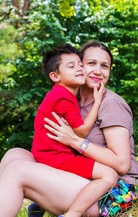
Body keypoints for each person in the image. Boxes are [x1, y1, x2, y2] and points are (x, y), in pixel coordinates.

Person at [0, 41, 138, 217]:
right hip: (83, 178)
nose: (98, 71)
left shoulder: (111, 104)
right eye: (91, 64)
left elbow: (122, 165)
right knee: (14, 155)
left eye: (104, 66)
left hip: (113, 192)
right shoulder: (70, 98)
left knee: (17, 171)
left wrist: (76, 141)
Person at [31, 43, 117, 217]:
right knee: (109, 175)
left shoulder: (58, 94)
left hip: (47, 154)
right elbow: (82, 132)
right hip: (57, 157)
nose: (79, 69)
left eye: (80, 64)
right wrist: (98, 101)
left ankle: (38, 206)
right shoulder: (64, 97)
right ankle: (73, 214)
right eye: (71, 66)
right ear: (55, 76)